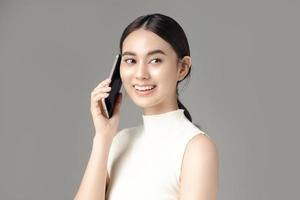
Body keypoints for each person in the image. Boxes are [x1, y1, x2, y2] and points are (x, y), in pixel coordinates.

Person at [74, 13, 219, 200]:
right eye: (131, 61)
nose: (140, 74)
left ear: (182, 68)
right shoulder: (119, 141)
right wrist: (102, 137)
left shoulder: (196, 148)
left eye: (155, 60)